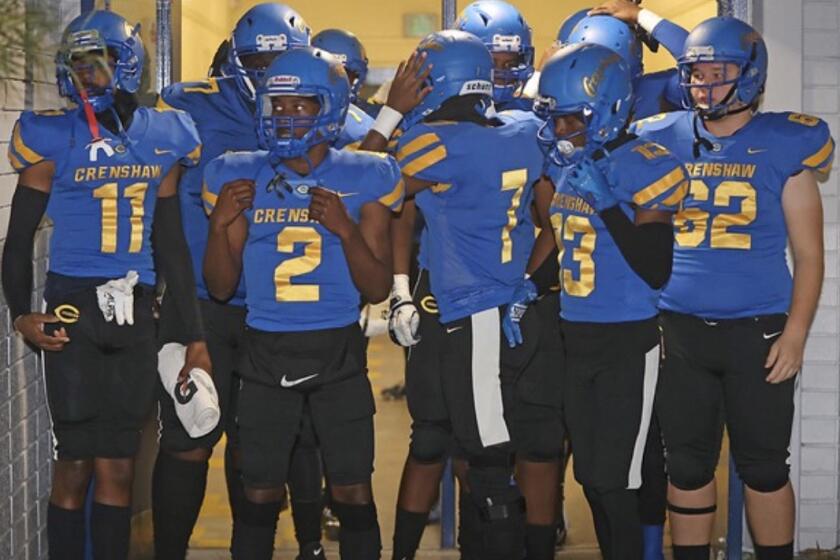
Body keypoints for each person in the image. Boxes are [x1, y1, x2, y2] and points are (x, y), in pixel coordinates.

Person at [2, 10, 208, 559]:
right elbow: (17, 239)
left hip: (134, 309)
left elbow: (171, 246)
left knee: (119, 465)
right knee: (72, 464)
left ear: (127, 65)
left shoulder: (163, 135)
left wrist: (193, 335)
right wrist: (20, 313)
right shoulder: (52, 136)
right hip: (72, 307)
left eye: (101, 62)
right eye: (78, 64)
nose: (88, 74)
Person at [632, 17, 833, 560]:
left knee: (765, 466)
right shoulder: (662, 136)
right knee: (688, 462)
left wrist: (795, 333)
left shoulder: (785, 142)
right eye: (695, 73)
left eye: (716, 73)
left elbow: (811, 255)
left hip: (759, 331)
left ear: (749, 76)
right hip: (680, 329)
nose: (703, 85)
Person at [203, 46, 403, 560]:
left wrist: (345, 231)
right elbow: (221, 287)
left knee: (353, 492)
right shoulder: (236, 175)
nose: (286, 115)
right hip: (265, 352)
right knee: (259, 495)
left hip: (337, 352)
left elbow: (378, 287)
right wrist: (221, 225)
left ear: (331, 108)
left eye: (301, 105)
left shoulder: (367, 175)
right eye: (278, 104)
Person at [154, 5, 332, 559]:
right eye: (259, 60)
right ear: (234, 58)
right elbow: (154, 203)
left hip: (276, 309)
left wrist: (394, 114)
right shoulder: (188, 105)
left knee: (254, 452)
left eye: (281, 60)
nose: (269, 74)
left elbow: (367, 158)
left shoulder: (313, 105)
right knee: (188, 440)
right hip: (202, 302)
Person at [515, 42, 687, 559]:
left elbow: (655, 268)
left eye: (571, 119)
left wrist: (611, 206)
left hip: (626, 342)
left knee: (617, 482)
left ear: (608, 108)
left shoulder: (646, 165)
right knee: (591, 476)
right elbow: (567, 243)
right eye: (556, 119)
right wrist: (529, 286)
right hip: (577, 336)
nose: (561, 131)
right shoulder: (573, 165)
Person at [388, 30, 555, 560]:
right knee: (472, 446)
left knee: (488, 462)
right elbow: (552, 221)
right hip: (501, 308)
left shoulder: (436, 141)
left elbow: (360, 182)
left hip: (474, 315)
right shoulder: (524, 129)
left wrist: (392, 113)